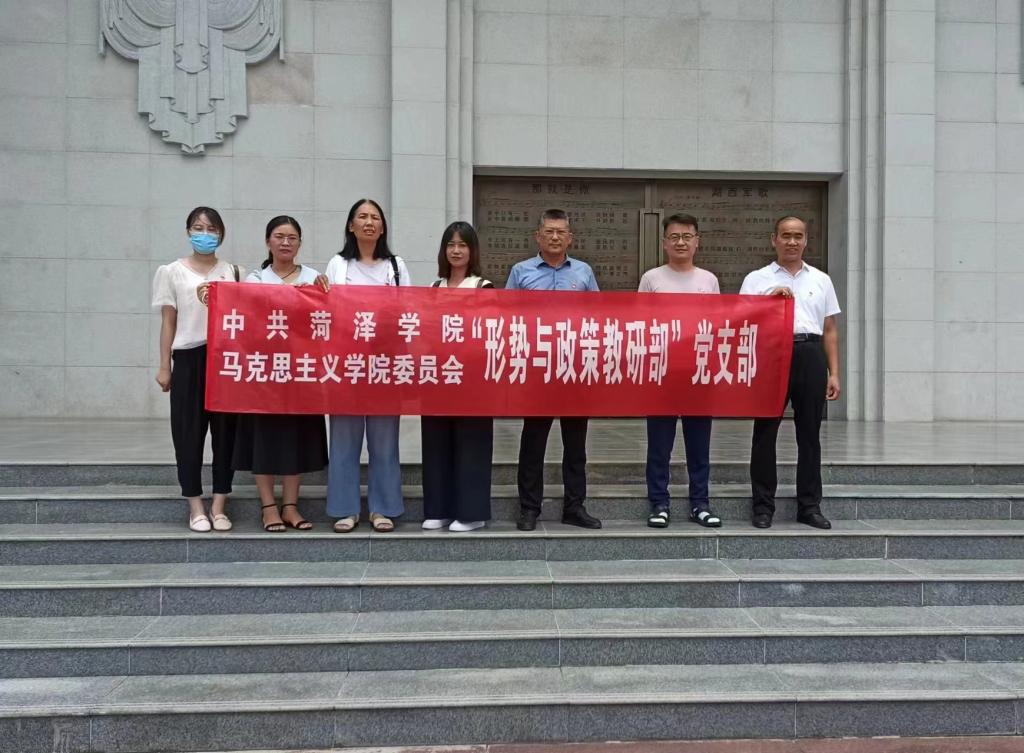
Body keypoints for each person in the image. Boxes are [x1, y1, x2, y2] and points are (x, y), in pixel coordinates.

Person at [739, 215, 841, 530]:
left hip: (810, 353)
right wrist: (768, 301)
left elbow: (829, 329)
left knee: (809, 434)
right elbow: (741, 320)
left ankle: (809, 506)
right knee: (765, 433)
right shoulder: (757, 279)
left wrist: (834, 372)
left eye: (798, 236)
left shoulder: (821, 279)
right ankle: (762, 506)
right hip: (771, 353)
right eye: (786, 235)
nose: (792, 241)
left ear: (806, 241)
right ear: (774, 240)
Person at [231, 216, 330, 532]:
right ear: (268, 242)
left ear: (300, 244)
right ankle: (268, 507)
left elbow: (327, 321)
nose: (285, 242)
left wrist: (322, 293)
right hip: (263, 374)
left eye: (292, 237)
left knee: (294, 438)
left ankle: (290, 506)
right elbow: (246, 322)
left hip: (301, 373)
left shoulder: (315, 278)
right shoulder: (255, 280)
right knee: (263, 438)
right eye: (279, 236)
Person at [505, 208, 602, 531]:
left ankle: (574, 506)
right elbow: (506, 317)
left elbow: (598, 316)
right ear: (538, 236)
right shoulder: (521, 272)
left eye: (561, 232)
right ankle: (529, 508)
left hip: (575, 366)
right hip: (537, 368)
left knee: (575, 443)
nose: (555, 237)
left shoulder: (584, 272)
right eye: (549, 231)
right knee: (533, 441)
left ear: (570, 238)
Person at [152, 206, 241, 532]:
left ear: (222, 234)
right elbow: (169, 322)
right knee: (187, 434)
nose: (205, 234)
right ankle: (195, 505)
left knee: (226, 435)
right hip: (189, 358)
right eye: (198, 228)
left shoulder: (233, 272)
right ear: (188, 231)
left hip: (225, 361)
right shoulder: (172, 272)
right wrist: (165, 365)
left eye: (212, 228)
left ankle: (219, 504)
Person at [325, 199, 411, 533]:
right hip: (347, 364)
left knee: (384, 440)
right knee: (344, 440)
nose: (369, 222)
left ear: (383, 227)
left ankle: (383, 508)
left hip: (385, 364)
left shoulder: (396, 265)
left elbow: (408, 312)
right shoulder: (337, 264)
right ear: (351, 225)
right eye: (362, 216)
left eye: (375, 217)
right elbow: (328, 312)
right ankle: (345, 509)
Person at [639, 213, 722, 529]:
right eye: (674, 237)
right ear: (664, 242)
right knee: (659, 443)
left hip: (698, 370)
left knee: (699, 443)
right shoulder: (651, 278)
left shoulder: (708, 280)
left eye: (687, 236)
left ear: (697, 241)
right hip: (662, 371)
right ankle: (659, 503)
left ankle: (700, 503)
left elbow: (716, 324)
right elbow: (640, 323)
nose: (681, 242)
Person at [421, 222, 495, 533]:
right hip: (438, 377)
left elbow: (489, 333)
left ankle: (471, 513)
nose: (456, 250)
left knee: (471, 444)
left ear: (472, 250)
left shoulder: (483, 287)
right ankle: (438, 509)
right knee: (436, 443)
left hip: (472, 381)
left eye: (462, 245)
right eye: (450, 244)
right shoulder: (434, 287)